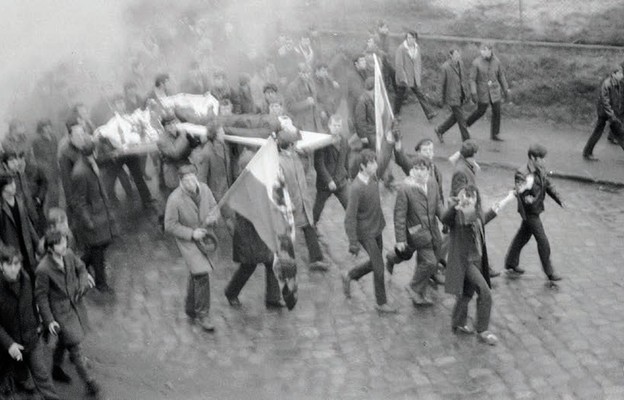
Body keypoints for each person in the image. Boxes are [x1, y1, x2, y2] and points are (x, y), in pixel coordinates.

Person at [442, 185, 512, 346]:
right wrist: (456, 206)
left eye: (472, 196)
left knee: (467, 293)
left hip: (476, 259)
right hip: (464, 262)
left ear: (476, 198)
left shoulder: (476, 214)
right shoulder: (457, 213)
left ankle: (458, 322)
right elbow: (445, 219)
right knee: (485, 291)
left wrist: (508, 198)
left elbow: (486, 217)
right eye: (466, 195)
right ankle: (483, 330)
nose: (470, 199)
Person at [35, 230, 100, 396]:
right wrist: (49, 321)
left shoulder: (69, 254)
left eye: (64, 242)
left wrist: (83, 282)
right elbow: (41, 297)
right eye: (60, 244)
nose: (64, 245)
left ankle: (56, 367)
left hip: (75, 306)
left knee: (65, 341)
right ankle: (90, 383)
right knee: (75, 347)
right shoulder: (43, 269)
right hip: (60, 314)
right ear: (50, 248)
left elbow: (81, 268)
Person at [164, 163, 220, 332]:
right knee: (202, 274)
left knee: (196, 273)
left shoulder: (204, 189)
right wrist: (191, 233)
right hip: (188, 241)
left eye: (193, 178)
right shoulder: (174, 199)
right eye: (186, 180)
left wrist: (213, 217)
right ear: (180, 181)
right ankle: (203, 315)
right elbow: (170, 225)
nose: (191, 183)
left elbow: (214, 207)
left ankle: (190, 308)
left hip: (205, 238)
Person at [0, 246, 60, 400]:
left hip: (31, 338)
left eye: (17, 264)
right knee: (16, 375)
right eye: (9, 265)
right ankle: (20, 383)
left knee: (43, 377)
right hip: (11, 343)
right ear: (1, 266)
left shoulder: (26, 279)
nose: (14, 269)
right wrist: (9, 344)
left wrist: (40, 323)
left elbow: (34, 302)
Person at [224, 152, 283, 309]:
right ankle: (231, 292)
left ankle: (273, 298)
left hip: (261, 230)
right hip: (248, 233)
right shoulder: (241, 186)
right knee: (248, 266)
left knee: (271, 262)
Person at [341, 150, 396, 313]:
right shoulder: (356, 188)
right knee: (379, 265)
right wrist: (353, 242)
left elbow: (384, 160)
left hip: (377, 227)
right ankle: (381, 302)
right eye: (371, 163)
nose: (375, 165)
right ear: (363, 167)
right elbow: (349, 217)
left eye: (374, 162)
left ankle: (350, 275)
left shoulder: (373, 177)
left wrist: (390, 141)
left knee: (374, 262)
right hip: (365, 233)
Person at [504, 144, 564, 282]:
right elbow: (521, 192)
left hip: (536, 209)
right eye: (540, 158)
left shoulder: (540, 169)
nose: (543, 161)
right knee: (543, 241)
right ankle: (549, 272)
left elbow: (547, 184)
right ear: (532, 158)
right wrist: (527, 198)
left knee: (523, 236)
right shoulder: (522, 173)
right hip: (529, 212)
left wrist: (559, 199)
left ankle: (511, 262)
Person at [393, 155, 444, 306]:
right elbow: (399, 216)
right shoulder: (405, 189)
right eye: (416, 168)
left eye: (422, 169)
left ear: (428, 170)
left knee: (431, 257)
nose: (419, 172)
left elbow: (438, 203)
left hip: (433, 229)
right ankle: (414, 287)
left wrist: (445, 219)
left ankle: (419, 293)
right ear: (412, 171)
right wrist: (401, 239)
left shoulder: (432, 182)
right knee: (430, 262)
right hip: (417, 233)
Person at [278, 130, 330, 272]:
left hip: (302, 202)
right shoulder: (279, 162)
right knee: (287, 235)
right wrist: (287, 203)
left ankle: (316, 259)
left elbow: (305, 169)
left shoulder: (296, 156)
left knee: (309, 228)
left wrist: (306, 154)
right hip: (290, 205)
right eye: (294, 143)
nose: (296, 144)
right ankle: (285, 263)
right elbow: (279, 188)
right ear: (289, 145)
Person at [71, 140, 117, 293]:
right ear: (92, 152)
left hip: (100, 213)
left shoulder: (89, 164)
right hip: (93, 216)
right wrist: (87, 220)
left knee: (102, 246)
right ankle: (101, 283)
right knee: (98, 251)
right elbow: (80, 200)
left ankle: (78, 266)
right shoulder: (80, 172)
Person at [449, 140, 500, 278]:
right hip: (465, 215)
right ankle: (476, 273)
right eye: (475, 155)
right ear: (470, 156)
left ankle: (483, 269)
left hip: (470, 212)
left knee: (476, 241)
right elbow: (461, 195)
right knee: (471, 243)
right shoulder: (461, 171)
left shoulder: (466, 165)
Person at [466, 42, 509, 141]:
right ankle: (466, 124)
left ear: (490, 50)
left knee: (497, 112)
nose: (482, 52)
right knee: (481, 111)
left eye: (484, 50)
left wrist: (505, 89)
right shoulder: (476, 63)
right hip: (483, 91)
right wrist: (474, 93)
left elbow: (501, 75)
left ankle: (495, 134)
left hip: (495, 91)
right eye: (481, 50)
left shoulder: (496, 61)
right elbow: (472, 79)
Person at [0, 174, 39, 281]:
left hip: (26, 246)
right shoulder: (2, 207)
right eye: (9, 184)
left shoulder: (19, 200)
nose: (14, 186)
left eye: (13, 183)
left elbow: (27, 224)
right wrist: (5, 253)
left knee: (32, 275)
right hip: (12, 250)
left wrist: (37, 243)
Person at [313, 114, 350, 225]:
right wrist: (329, 181)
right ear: (329, 125)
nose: (337, 128)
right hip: (325, 184)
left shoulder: (344, 140)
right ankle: (312, 227)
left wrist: (347, 175)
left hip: (341, 181)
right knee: (318, 208)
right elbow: (319, 164)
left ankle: (355, 234)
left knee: (350, 208)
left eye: (339, 126)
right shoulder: (322, 141)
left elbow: (346, 159)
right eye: (334, 125)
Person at [582, 63, 624, 161]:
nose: (622, 75)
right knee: (599, 132)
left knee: (619, 133)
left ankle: (587, 152)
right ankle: (587, 153)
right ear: (614, 74)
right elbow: (605, 102)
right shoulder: (607, 84)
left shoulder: (617, 83)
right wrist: (612, 116)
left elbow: (617, 99)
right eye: (620, 73)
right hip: (604, 113)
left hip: (610, 113)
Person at [393, 31, 437, 120]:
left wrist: (418, 76)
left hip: (413, 77)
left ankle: (429, 112)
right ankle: (396, 114)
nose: (410, 40)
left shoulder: (417, 48)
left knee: (420, 94)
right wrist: (403, 78)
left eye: (412, 38)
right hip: (404, 77)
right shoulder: (401, 49)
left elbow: (418, 63)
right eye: (408, 38)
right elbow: (399, 65)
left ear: (415, 39)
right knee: (400, 96)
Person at [435, 48, 472, 142]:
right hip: (452, 97)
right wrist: (439, 98)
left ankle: (440, 130)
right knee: (461, 118)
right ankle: (466, 139)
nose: (458, 56)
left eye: (458, 54)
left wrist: (467, 92)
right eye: (456, 55)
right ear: (450, 56)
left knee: (456, 117)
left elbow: (464, 79)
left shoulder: (461, 64)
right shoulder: (445, 67)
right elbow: (440, 84)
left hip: (461, 95)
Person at [32, 119, 61, 211]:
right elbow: (37, 158)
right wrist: (45, 170)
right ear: (41, 129)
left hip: (55, 168)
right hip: (45, 171)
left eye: (49, 126)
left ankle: (55, 210)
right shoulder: (37, 141)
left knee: (56, 193)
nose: (48, 128)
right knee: (47, 194)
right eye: (45, 127)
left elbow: (56, 152)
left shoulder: (53, 137)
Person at [285, 63, 322, 132]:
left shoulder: (311, 83)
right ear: (299, 73)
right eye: (304, 73)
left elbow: (317, 100)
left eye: (308, 73)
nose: (307, 76)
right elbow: (289, 107)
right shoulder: (292, 87)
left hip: (315, 122)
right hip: (302, 124)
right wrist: (306, 103)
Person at [354, 77, 376, 149]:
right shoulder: (362, 101)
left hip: (374, 130)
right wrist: (363, 136)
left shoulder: (374, 98)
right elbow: (360, 121)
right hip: (369, 133)